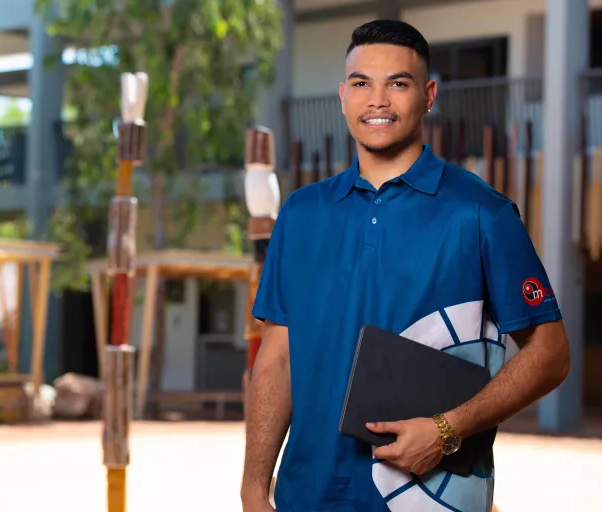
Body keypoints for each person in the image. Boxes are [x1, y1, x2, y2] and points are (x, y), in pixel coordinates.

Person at [240, 19, 571, 512]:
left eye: (398, 83)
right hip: (305, 498)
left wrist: (447, 430)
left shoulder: (481, 213)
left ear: (428, 94)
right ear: (343, 95)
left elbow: (550, 353)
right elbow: (277, 358)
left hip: (429, 501)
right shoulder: (301, 214)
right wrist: (252, 486)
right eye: (361, 84)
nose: (377, 100)